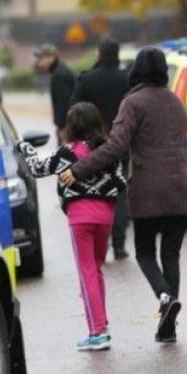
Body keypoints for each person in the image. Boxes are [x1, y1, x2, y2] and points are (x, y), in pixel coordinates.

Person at [60, 47, 187, 343]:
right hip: (182, 187)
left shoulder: (133, 102)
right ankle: (169, 326)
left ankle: (164, 297)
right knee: (171, 254)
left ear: (137, 69)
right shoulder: (176, 102)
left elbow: (115, 146)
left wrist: (79, 169)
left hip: (150, 189)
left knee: (145, 252)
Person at [16, 102, 127, 351]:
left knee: (86, 272)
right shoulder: (107, 152)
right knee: (96, 269)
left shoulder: (67, 152)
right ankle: (101, 324)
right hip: (105, 217)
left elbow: (36, 169)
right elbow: (120, 181)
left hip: (80, 218)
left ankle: (98, 332)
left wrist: (25, 147)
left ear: (72, 126)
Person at [71, 37, 130, 260]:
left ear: (99, 54)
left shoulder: (87, 80)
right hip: (121, 143)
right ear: (117, 55)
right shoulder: (126, 79)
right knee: (120, 191)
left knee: (94, 191)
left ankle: (99, 245)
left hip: (92, 145)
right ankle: (119, 245)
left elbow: (73, 111)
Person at [34, 44, 76, 144]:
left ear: (51, 57)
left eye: (41, 58)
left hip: (67, 127)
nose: (39, 62)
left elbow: (64, 103)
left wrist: (62, 127)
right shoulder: (59, 71)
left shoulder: (59, 75)